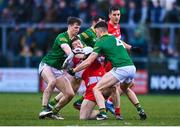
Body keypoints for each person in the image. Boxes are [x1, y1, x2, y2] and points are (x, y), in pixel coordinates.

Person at [67, 21, 144, 120]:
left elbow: (88, 61)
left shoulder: (100, 42)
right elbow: (123, 44)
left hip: (119, 69)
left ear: (99, 30)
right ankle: (132, 111)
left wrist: (74, 70)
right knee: (122, 88)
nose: (96, 34)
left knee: (97, 89)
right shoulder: (113, 37)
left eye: (96, 32)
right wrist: (131, 48)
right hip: (132, 68)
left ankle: (103, 113)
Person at [105, 6, 147, 120]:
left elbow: (118, 42)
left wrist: (130, 48)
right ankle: (109, 104)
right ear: (109, 15)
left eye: (118, 14)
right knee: (116, 87)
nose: (117, 17)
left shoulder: (117, 26)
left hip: (117, 61)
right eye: (114, 14)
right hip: (111, 62)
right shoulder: (106, 27)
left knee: (128, 85)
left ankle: (109, 103)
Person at [38, 17, 82, 119]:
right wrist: (74, 53)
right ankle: (44, 109)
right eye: (75, 27)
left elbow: (81, 53)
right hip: (47, 65)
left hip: (58, 69)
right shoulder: (62, 37)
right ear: (69, 26)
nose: (77, 30)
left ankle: (53, 111)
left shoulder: (77, 40)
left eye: (79, 28)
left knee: (70, 94)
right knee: (52, 81)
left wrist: (86, 54)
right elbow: (67, 50)